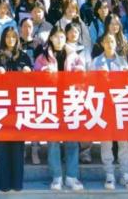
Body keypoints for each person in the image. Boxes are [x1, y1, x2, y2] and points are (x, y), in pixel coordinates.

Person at [35, 27, 85, 192]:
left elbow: (83, 75)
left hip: (70, 100)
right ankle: (56, 176)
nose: (59, 40)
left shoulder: (74, 55)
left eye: (62, 37)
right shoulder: (43, 57)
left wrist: (77, 72)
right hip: (51, 102)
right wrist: (44, 72)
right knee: (53, 141)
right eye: (56, 37)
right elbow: (35, 76)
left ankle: (71, 176)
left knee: (72, 141)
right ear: (50, 38)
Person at [0, 27, 33, 192]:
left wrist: (29, 72)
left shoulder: (24, 57)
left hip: (19, 105)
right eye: (8, 36)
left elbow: (34, 80)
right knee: (3, 145)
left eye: (14, 36)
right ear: (3, 38)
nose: (11, 39)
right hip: (1, 106)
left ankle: (17, 182)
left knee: (18, 145)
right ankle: (4, 183)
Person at [90, 33, 128, 191]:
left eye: (112, 41)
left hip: (120, 104)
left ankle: (126, 174)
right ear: (102, 44)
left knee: (123, 141)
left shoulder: (122, 60)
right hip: (104, 105)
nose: (110, 44)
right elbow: (89, 83)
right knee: (106, 142)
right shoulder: (96, 61)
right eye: (107, 41)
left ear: (116, 43)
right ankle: (109, 174)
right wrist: (98, 77)